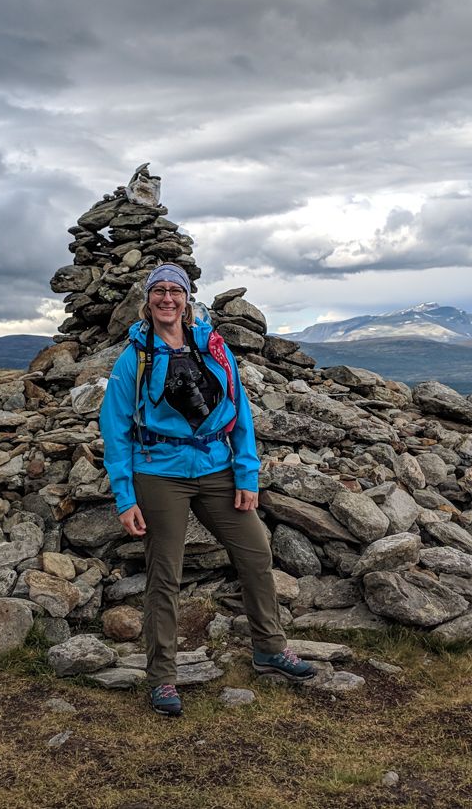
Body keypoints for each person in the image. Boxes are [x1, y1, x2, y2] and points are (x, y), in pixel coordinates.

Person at [100, 263, 317, 717]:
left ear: (186, 298)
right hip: (160, 472)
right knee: (166, 573)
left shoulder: (213, 347)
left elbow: (240, 411)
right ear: (147, 300)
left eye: (174, 291)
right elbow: (115, 428)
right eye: (158, 291)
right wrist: (125, 495)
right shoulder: (133, 358)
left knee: (256, 551)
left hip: (217, 467)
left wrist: (246, 474)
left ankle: (269, 649)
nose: (166, 299)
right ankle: (162, 679)